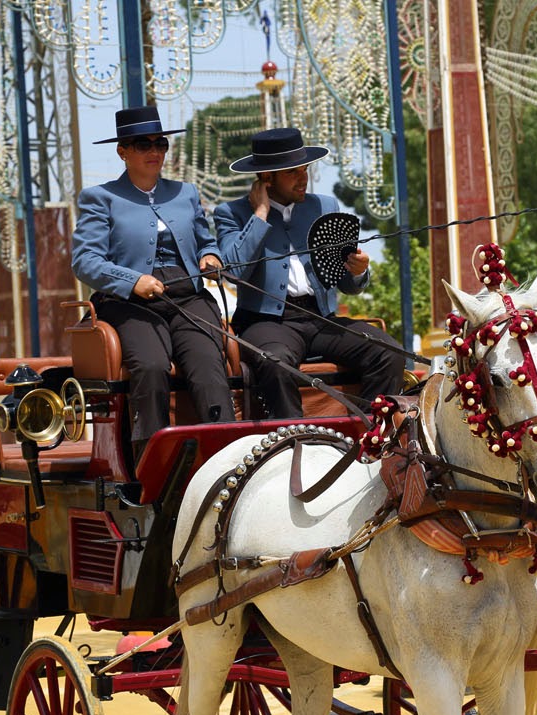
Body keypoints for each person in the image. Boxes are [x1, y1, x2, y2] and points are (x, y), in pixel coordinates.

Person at [71, 105, 232, 454]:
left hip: (187, 296)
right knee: (152, 365)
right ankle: (150, 458)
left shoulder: (185, 193)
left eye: (161, 144)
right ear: (122, 151)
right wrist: (131, 281)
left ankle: (226, 452)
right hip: (130, 303)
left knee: (208, 363)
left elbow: (207, 241)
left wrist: (211, 256)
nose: (155, 152)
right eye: (144, 145)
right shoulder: (100, 198)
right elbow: (85, 261)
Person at [213, 127, 402, 419]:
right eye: (293, 173)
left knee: (388, 352)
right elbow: (233, 270)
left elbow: (345, 284)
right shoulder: (232, 213)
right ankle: (297, 446)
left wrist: (358, 273)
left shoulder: (324, 206)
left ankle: (368, 438)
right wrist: (260, 213)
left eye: (305, 170)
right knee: (275, 363)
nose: (304, 179)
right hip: (267, 323)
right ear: (267, 177)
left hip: (321, 318)